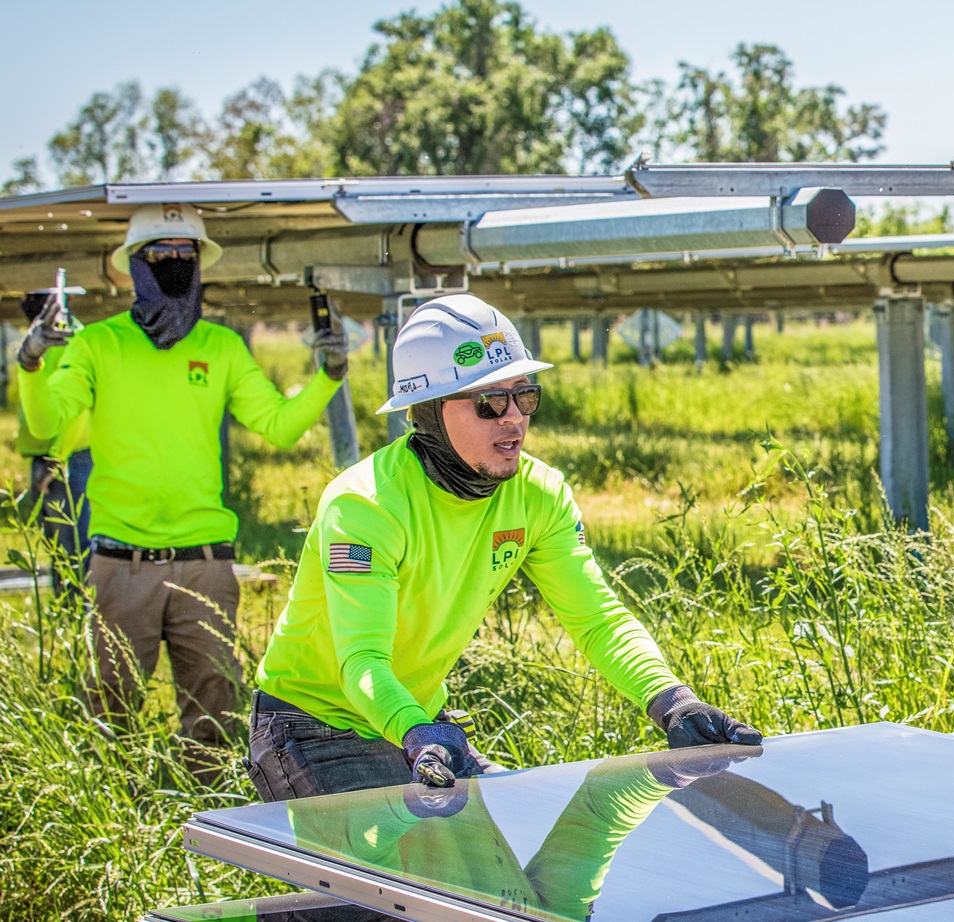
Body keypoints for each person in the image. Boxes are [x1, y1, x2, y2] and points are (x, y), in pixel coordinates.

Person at [249, 295, 760, 801]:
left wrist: (672, 701)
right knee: (381, 881)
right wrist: (415, 730)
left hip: (418, 723)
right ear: (428, 411)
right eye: (490, 401)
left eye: (525, 396)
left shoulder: (539, 494)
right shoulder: (366, 506)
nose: (513, 417)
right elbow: (361, 660)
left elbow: (597, 618)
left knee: (498, 875)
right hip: (314, 725)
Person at [16, 204, 348, 780]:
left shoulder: (221, 348)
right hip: (121, 565)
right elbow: (46, 426)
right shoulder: (98, 345)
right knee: (109, 719)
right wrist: (32, 362)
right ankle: (115, 825)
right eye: (160, 254)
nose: (174, 263)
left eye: (184, 254)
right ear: (134, 268)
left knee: (215, 723)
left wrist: (329, 376)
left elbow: (279, 425)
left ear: (200, 265)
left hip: (205, 566)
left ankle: (215, 831)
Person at [14, 292, 92, 599]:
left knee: (74, 548)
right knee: (57, 548)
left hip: (68, 458)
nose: (26, 299)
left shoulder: (72, 338)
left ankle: (82, 622)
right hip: (49, 457)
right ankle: (67, 620)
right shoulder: (43, 338)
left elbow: (79, 410)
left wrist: (56, 460)